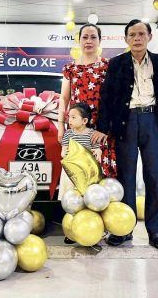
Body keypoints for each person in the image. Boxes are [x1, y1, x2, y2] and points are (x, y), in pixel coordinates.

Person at [94, 19, 158, 250]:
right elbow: (107, 98)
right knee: (126, 177)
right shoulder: (116, 64)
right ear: (126, 39)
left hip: (153, 122)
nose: (137, 38)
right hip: (126, 122)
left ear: (149, 36)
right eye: (132, 35)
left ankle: (156, 231)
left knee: (154, 176)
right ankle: (124, 229)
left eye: (141, 34)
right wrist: (103, 127)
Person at [58, 23, 116, 178]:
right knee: (79, 172)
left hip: (102, 127)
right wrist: (60, 127)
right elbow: (64, 98)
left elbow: (114, 99)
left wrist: (107, 127)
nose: (88, 41)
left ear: (99, 41)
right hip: (78, 128)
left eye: (93, 37)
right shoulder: (70, 69)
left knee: (101, 172)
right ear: (79, 40)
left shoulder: (109, 66)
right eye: (85, 37)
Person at [60, 102, 101, 244]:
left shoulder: (92, 134)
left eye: (73, 117)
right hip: (71, 173)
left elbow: (97, 150)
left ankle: (91, 229)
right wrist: (68, 154)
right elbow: (63, 152)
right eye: (69, 117)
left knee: (88, 199)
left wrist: (97, 152)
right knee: (72, 200)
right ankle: (70, 230)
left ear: (84, 121)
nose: (70, 120)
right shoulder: (68, 134)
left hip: (87, 173)